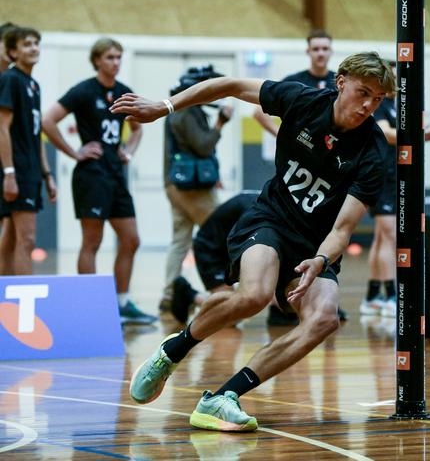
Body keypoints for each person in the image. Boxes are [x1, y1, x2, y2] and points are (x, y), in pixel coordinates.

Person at [111, 51, 394, 432]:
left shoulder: (373, 151)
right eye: (363, 92)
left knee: (324, 318)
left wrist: (321, 261)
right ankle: (171, 352)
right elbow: (229, 85)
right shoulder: (302, 99)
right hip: (271, 220)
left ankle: (222, 398)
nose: (368, 105)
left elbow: (343, 229)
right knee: (255, 294)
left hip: (314, 245)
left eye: (377, 99)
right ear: (340, 81)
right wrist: (164, 106)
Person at [41, 37, 155, 325]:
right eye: (109, 57)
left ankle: (122, 304)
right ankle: (88, 305)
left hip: (116, 174)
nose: (115, 62)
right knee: (92, 240)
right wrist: (73, 152)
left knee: (131, 239)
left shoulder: (124, 92)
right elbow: (48, 121)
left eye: (118, 57)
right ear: (97, 61)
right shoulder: (83, 91)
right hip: (91, 176)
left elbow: (137, 129)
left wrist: (127, 152)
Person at [253, 28, 337, 325]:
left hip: (327, 170)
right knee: (284, 229)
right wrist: (283, 134)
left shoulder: (339, 82)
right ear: (308, 51)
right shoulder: (295, 82)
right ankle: (279, 302)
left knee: (323, 229)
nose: (321, 53)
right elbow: (258, 113)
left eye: (325, 49)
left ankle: (322, 295)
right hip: (296, 168)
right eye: (316, 49)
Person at [360, 60, 430, 317]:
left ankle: (372, 296)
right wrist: (415, 134)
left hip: (393, 177)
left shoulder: (395, 105)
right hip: (383, 176)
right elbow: (385, 134)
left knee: (381, 237)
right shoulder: (378, 104)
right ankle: (391, 295)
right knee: (389, 236)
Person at [159, 65, 232, 313]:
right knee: (220, 235)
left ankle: (170, 294)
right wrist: (221, 123)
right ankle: (221, 291)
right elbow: (203, 145)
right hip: (192, 188)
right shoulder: (188, 112)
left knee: (180, 240)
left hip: (176, 184)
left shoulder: (178, 109)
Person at [0, 26, 56, 275]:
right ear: (13, 52)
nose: (33, 48)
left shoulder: (33, 85)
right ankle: (21, 307)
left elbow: (36, 136)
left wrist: (47, 175)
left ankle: (4, 302)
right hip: (17, 171)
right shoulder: (10, 80)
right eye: (26, 44)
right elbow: (2, 128)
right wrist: (9, 173)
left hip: (31, 171)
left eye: (36, 43)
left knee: (11, 239)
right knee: (27, 240)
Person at [171, 191, 259, 323]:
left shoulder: (263, 203)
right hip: (210, 251)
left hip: (226, 248)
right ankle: (189, 294)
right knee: (232, 316)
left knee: (238, 308)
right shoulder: (255, 210)